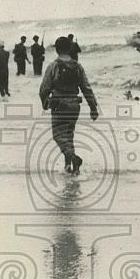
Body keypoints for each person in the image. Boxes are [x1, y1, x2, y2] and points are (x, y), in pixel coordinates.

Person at [39, 36, 99, 175]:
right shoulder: (78, 66)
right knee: (69, 135)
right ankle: (69, 167)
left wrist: (45, 103)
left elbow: (44, 88)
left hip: (59, 105)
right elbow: (86, 88)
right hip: (74, 106)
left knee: (58, 135)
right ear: (70, 48)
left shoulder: (53, 66)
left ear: (57, 49)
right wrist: (93, 108)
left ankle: (73, 158)